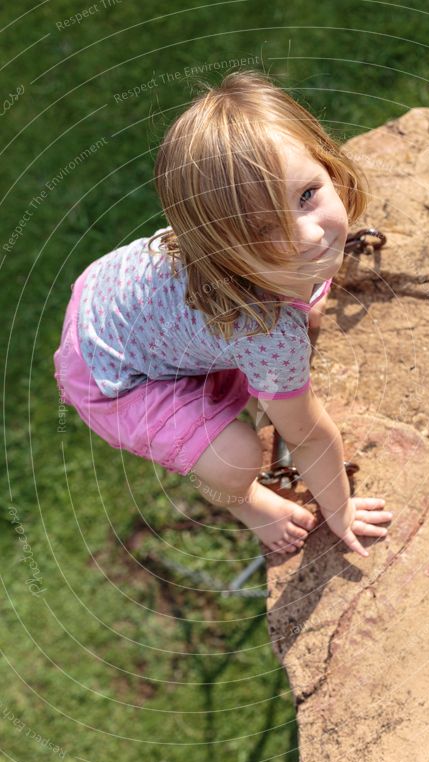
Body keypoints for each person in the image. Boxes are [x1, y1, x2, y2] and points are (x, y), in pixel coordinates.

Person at [53, 70, 392, 556]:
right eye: (263, 228)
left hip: (113, 293)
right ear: (220, 250)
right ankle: (244, 504)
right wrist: (340, 511)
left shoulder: (277, 266)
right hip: (110, 369)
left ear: (327, 163)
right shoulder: (268, 331)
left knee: (292, 333)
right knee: (234, 456)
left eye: (307, 195)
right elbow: (310, 437)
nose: (310, 236)